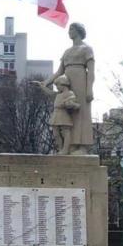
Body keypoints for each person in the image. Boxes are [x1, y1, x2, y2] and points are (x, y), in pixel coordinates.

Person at [43, 22, 95, 154]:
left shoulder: (87, 49)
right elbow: (59, 72)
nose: (69, 31)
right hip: (67, 81)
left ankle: (83, 146)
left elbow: (92, 71)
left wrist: (89, 88)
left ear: (79, 31)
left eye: (71, 29)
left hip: (81, 81)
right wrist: (46, 82)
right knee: (69, 115)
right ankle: (71, 145)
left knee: (81, 113)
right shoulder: (67, 52)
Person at [33, 75, 80, 155]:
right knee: (55, 134)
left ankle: (65, 150)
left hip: (63, 114)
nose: (57, 88)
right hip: (56, 114)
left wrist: (69, 103)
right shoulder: (58, 94)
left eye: (57, 85)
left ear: (63, 84)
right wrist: (41, 86)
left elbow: (74, 103)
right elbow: (49, 93)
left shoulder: (70, 93)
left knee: (66, 132)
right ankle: (60, 149)